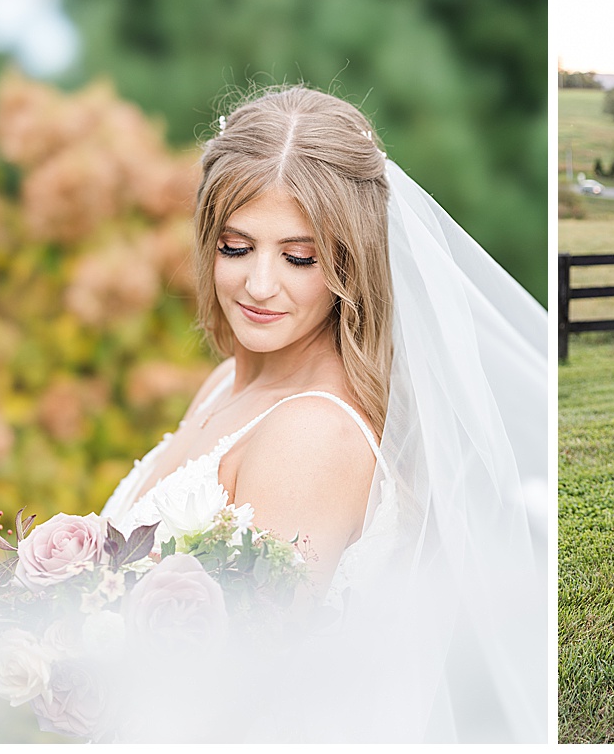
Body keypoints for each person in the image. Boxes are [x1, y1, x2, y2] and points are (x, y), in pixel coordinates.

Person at [95, 87, 548, 741]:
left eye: (299, 257)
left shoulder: (314, 435)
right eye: (236, 247)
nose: (258, 284)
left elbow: (235, 693)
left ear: (350, 260)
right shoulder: (226, 383)